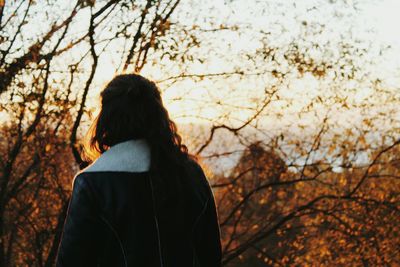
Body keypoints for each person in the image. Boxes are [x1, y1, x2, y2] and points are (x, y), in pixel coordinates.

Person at [55, 74, 222, 267]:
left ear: (107, 118)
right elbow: (211, 256)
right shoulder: (191, 173)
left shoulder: (92, 182)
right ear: (158, 116)